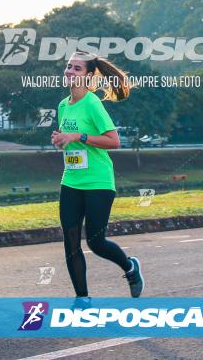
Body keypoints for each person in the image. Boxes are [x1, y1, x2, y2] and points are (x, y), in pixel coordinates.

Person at [51, 51, 144, 308]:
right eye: (68, 66)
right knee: (70, 240)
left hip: (98, 183)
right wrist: (62, 141)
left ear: (89, 76)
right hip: (71, 180)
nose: (70, 72)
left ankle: (129, 266)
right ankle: (82, 298)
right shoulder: (62, 105)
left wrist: (79, 136)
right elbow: (70, 143)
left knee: (95, 241)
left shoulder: (92, 103)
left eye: (77, 69)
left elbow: (114, 141)